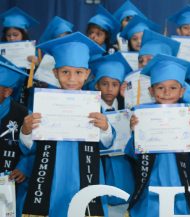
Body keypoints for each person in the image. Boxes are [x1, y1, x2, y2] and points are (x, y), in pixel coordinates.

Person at [19, 32, 114, 217]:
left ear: (87, 74)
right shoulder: (42, 103)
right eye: (65, 72)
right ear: (55, 73)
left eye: (78, 72)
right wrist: (26, 130)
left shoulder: (93, 105)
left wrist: (105, 128)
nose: (71, 78)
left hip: (85, 169)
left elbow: (106, 143)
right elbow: (29, 146)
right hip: (52, 169)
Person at [126, 54, 190, 217]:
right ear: (151, 91)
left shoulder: (189, 118)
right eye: (160, 88)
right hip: (152, 173)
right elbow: (132, 152)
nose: (167, 93)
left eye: (173, 88)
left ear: (182, 90)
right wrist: (136, 132)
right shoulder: (143, 115)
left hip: (181, 174)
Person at [89, 52, 134, 215]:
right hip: (98, 165)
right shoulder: (89, 109)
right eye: (104, 84)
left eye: (114, 84)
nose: (109, 89)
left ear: (120, 87)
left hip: (124, 166)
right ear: (96, 85)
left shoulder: (128, 109)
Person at [137, 29, 190, 116]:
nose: (144, 63)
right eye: (140, 60)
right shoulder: (135, 81)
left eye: (150, 59)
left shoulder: (181, 86)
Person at [0, 56, 32, 217]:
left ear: (7, 91)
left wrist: (25, 166)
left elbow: (33, 147)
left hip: (9, 179)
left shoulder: (23, 114)